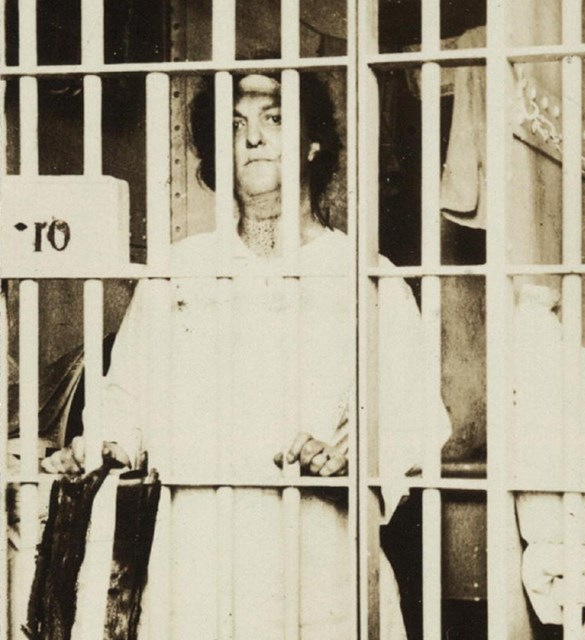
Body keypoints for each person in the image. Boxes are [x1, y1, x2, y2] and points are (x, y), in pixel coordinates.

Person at [43, 72, 451, 638]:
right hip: (195, 564)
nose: (252, 137)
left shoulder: (366, 277)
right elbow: (124, 398)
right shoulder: (178, 270)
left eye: (274, 118)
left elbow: (417, 418)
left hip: (320, 562)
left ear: (313, 143)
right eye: (235, 125)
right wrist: (103, 446)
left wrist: (354, 455)